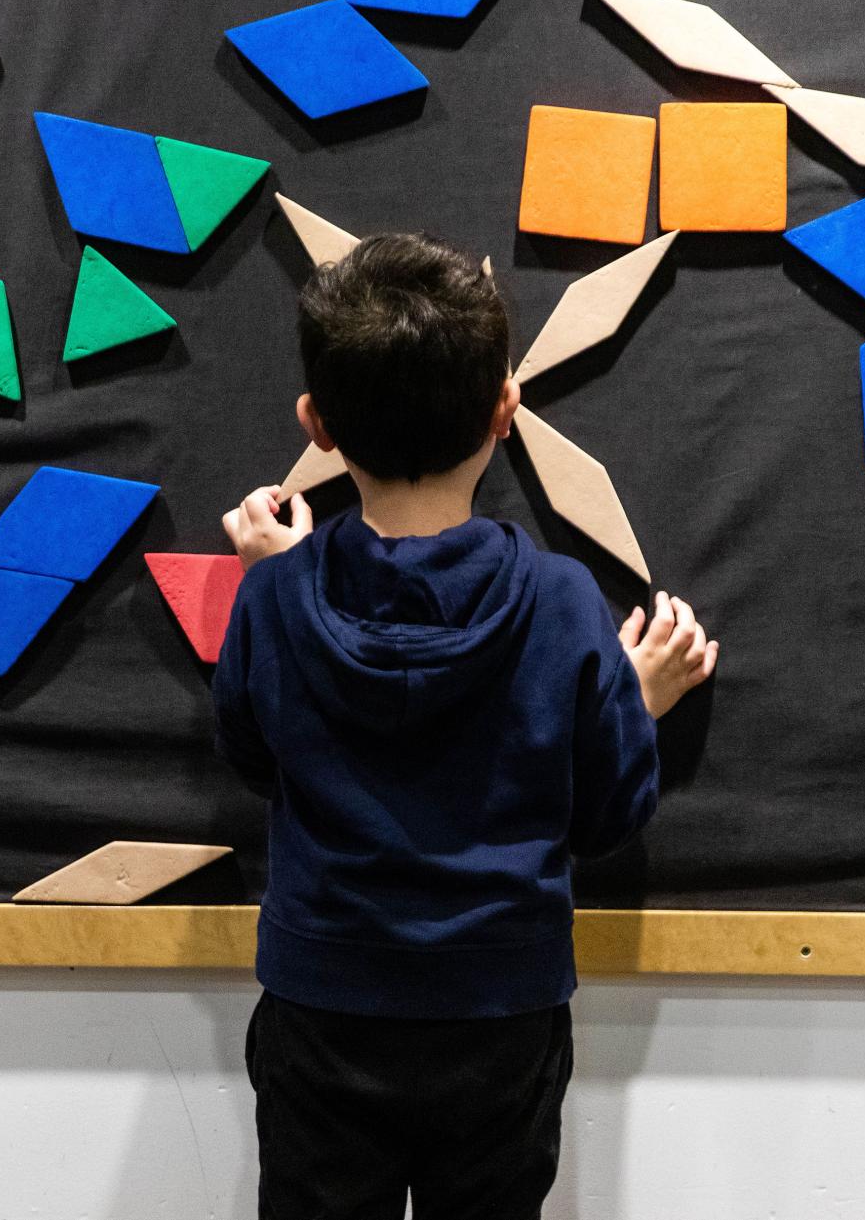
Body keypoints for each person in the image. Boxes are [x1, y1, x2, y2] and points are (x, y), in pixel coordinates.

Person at [212, 231, 718, 1220]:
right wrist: (634, 699)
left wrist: (272, 579)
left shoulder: (272, 598)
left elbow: (250, 755)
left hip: (325, 1002)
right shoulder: (564, 602)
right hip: (500, 1011)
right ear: (504, 409)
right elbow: (605, 814)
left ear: (317, 424)